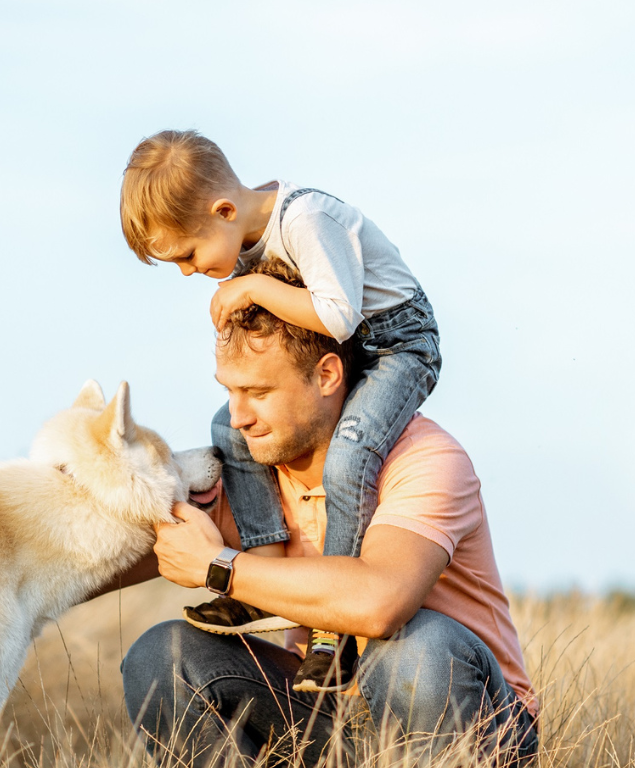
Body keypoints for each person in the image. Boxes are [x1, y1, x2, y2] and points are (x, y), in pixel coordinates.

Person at [118, 260, 538, 767]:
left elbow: (380, 603)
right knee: (161, 656)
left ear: (327, 375)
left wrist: (220, 566)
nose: (237, 417)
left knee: (412, 650)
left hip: (475, 728)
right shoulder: (250, 471)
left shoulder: (425, 459)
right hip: (322, 715)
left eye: (259, 392)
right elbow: (108, 548)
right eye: (229, 390)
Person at [120, 129, 442, 691]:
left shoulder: (305, 221)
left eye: (188, 255)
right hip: (353, 347)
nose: (188, 272)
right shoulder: (243, 237)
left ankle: (330, 637)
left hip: (398, 345)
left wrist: (253, 291)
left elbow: (338, 317)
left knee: (349, 453)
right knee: (228, 428)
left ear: (223, 210)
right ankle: (259, 575)